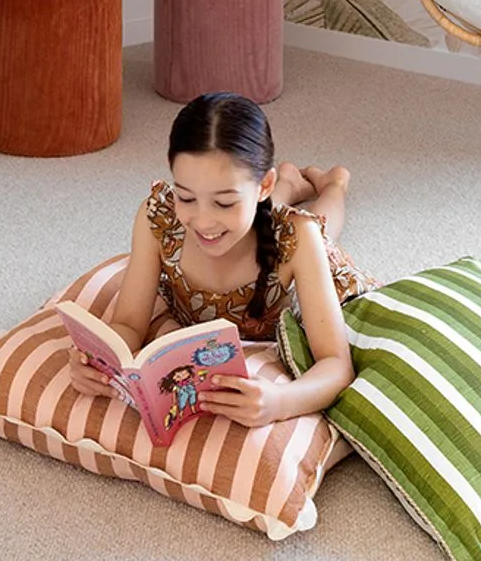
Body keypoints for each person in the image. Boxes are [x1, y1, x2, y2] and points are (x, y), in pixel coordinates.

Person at [65, 91, 374, 427]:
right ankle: (289, 182)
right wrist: (100, 361)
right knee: (250, 220)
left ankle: (334, 184)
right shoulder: (159, 220)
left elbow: (336, 364)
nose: (203, 221)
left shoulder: (297, 239)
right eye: (186, 197)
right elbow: (128, 323)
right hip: (257, 217)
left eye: (224, 203)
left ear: (261, 185)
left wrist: (280, 402)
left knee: (320, 228)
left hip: (287, 239)